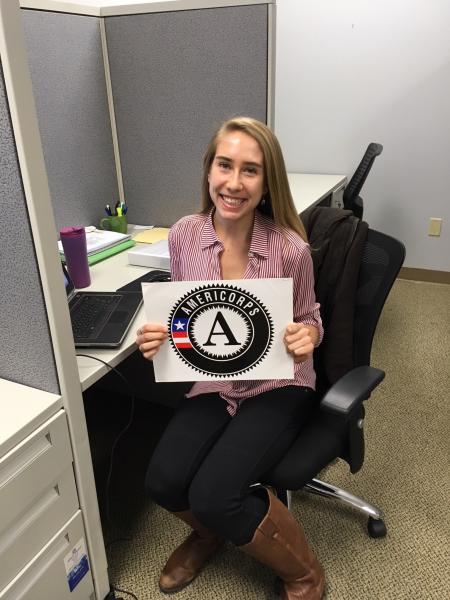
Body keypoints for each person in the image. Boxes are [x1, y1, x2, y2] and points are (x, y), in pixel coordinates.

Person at [135, 117, 325, 599]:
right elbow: (188, 313)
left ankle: (304, 573)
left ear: (267, 183)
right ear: (209, 170)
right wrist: (161, 337)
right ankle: (209, 535)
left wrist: (308, 335)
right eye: (225, 165)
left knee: (216, 494)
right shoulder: (184, 234)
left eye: (250, 170)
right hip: (215, 379)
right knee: (162, 481)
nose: (234, 183)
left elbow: (310, 317)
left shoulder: (290, 249)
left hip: (278, 383)